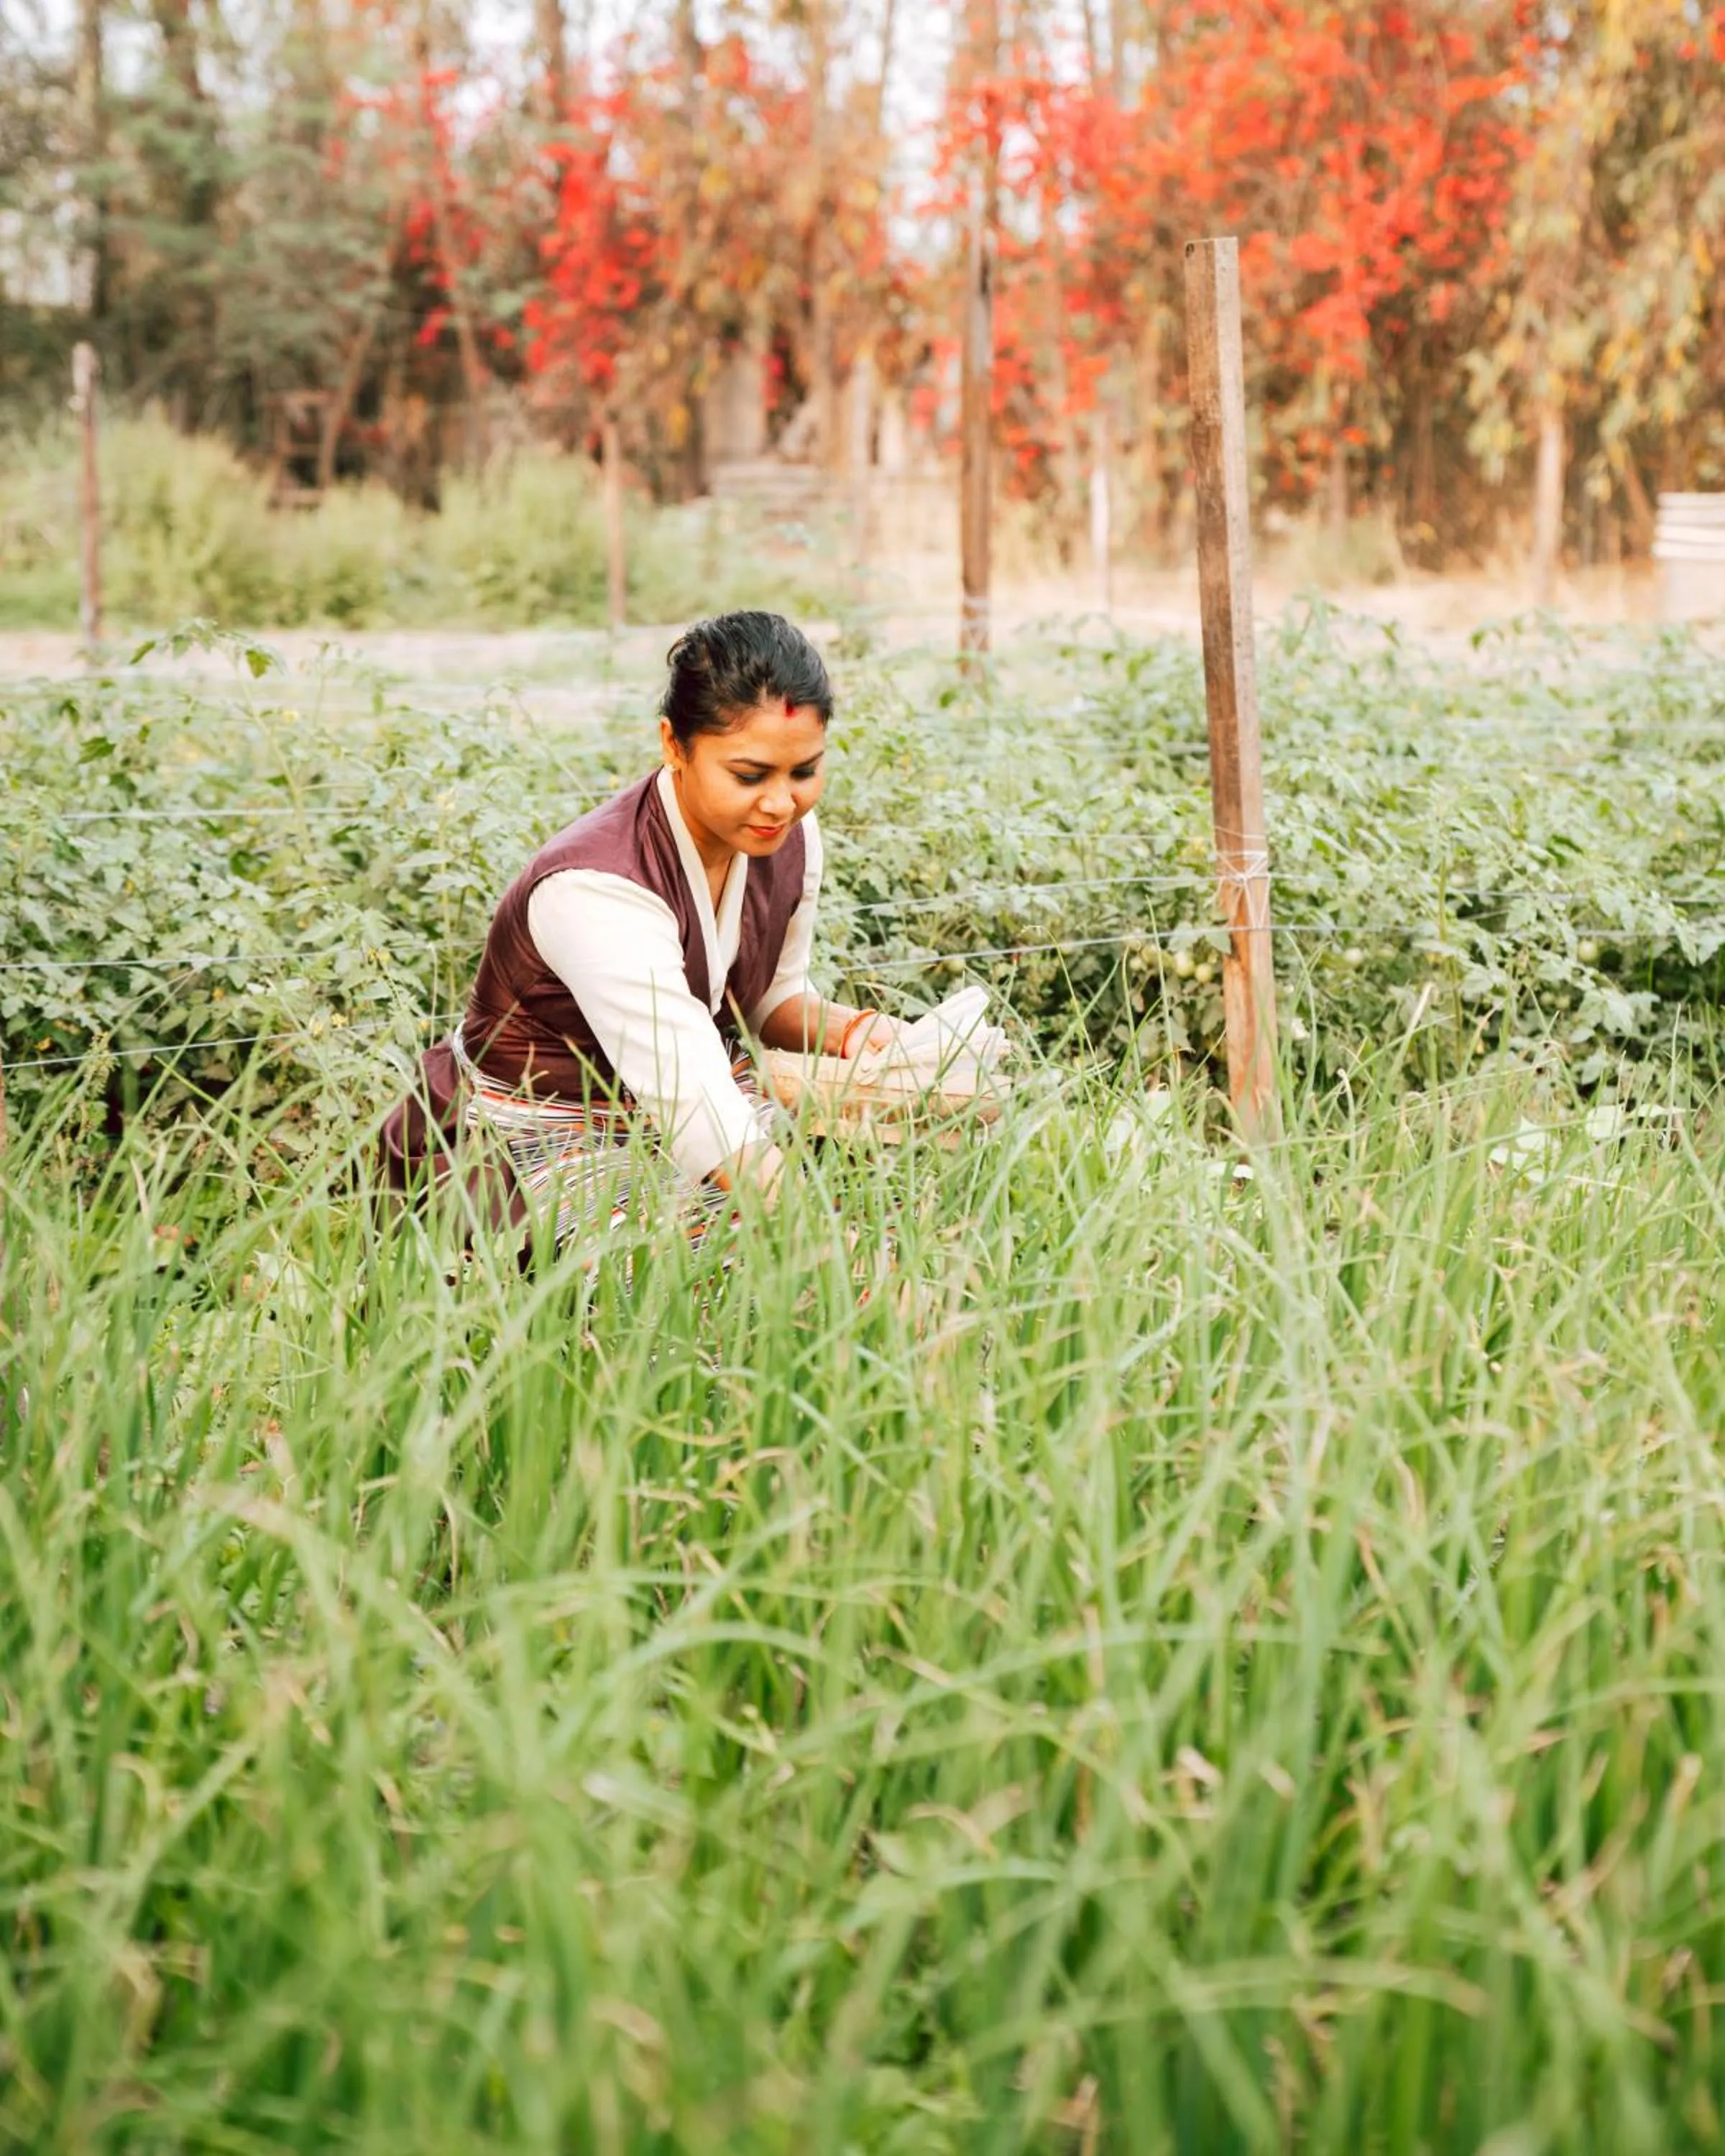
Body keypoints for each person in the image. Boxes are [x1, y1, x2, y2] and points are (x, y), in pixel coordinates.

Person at [379, 611, 901, 1253]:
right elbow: (697, 1107)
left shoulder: (785, 836)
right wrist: (830, 1250)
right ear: (674, 746)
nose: (780, 803)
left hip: (685, 1111)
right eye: (749, 776)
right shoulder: (594, 888)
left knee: (893, 1191)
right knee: (710, 1277)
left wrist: (864, 1034)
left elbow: (770, 1000)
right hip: (542, 1136)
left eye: (803, 772)